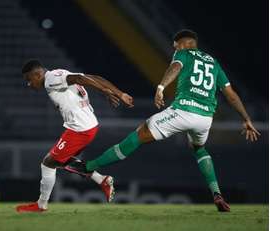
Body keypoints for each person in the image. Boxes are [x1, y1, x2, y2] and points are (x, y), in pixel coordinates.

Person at [68, 30, 261, 212]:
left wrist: (161, 87)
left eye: (175, 47)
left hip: (183, 111)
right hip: (205, 119)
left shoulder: (184, 54)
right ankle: (217, 194)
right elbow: (231, 95)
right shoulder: (214, 63)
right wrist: (246, 119)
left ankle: (88, 167)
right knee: (199, 149)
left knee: (138, 135)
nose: (175, 50)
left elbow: (174, 67)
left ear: (184, 44)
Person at [16, 60, 134, 212]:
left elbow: (80, 79)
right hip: (88, 125)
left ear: (38, 74)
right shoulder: (59, 73)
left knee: (48, 163)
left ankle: (41, 205)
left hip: (80, 129)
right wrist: (119, 93)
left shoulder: (50, 80)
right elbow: (97, 78)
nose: (29, 84)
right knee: (61, 160)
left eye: (29, 80)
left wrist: (108, 92)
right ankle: (102, 180)